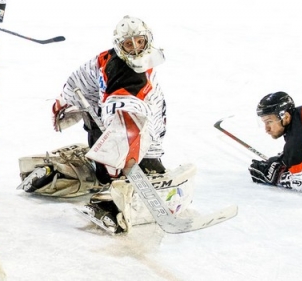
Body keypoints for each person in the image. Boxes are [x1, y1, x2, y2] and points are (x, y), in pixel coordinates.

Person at [18, 16, 191, 234]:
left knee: (125, 151)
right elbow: (118, 109)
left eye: (140, 41)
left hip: (92, 103)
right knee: (119, 165)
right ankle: (101, 191)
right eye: (129, 44)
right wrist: (121, 146)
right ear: (120, 46)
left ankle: (78, 169)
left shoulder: (125, 60)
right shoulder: (123, 69)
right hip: (96, 108)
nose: (136, 48)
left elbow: (80, 80)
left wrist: (63, 101)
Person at [249, 92, 302, 192]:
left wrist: (275, 176)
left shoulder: (297, 140)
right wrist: (285, 158)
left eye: (269, 122)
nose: (267, 129)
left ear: (286, 117)